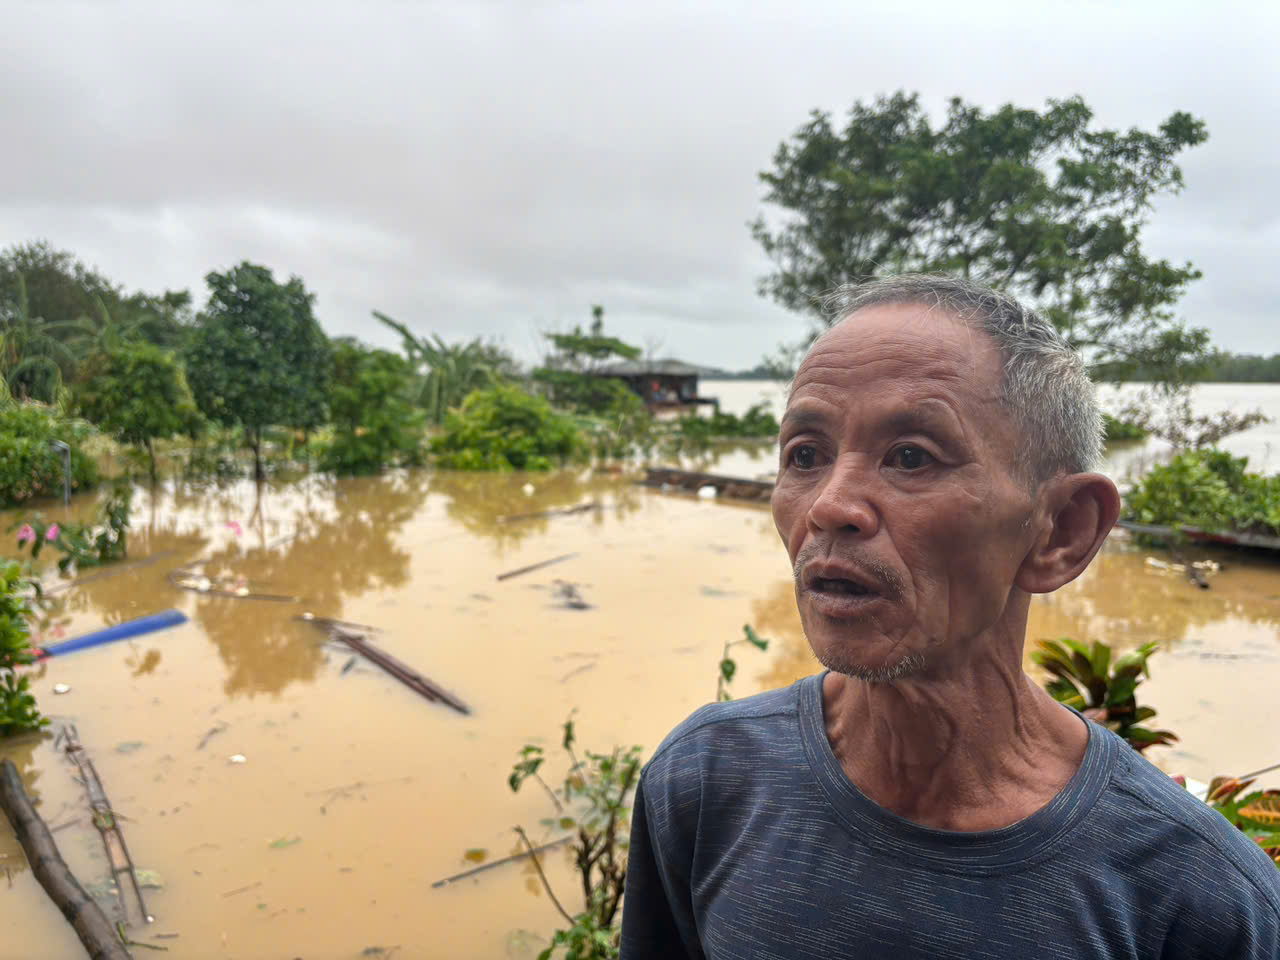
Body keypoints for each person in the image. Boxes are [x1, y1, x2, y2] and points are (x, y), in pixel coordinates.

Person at [619, 275, 1280, 959]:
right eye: (805, 456)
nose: (828, 506)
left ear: (1061, 532)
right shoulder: (704, 781)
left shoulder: (1200, 900)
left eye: (911, 457)